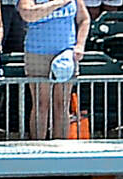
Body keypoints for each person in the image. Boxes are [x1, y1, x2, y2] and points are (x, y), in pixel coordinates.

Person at [18, 0, 86, 141]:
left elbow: (84, 19)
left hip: (65, 54)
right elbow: (28, 14)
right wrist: (59, 3)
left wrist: (80, 45)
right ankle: (38, 146)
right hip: (38, 53)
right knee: (41, 104)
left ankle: (60, 146)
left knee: (62, 104)